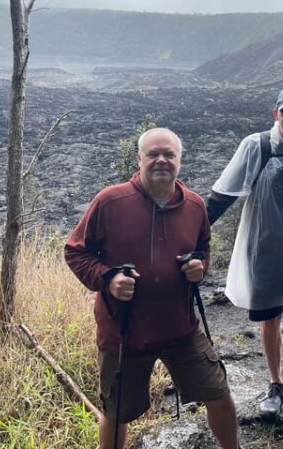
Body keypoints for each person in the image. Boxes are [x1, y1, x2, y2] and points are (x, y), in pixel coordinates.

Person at [64, 128, 239, 449]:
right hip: (123, 333)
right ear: (139, 159)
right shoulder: (110, 202)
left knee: (219, 393)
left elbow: (202, 250)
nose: (161, 160)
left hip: (182, 329)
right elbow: (75, 251)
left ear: (179, 161)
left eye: (169, 154)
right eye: (153, 154)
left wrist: (198, 267)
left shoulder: (195, 206)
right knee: (116, 413)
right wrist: (107, 279)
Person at [206, 87, 283, 416]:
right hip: (267, 244)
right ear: (275, 113)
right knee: (269, 315)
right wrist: (195, 231)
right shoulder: (257, 146)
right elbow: (224, 193)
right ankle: (276, 384)